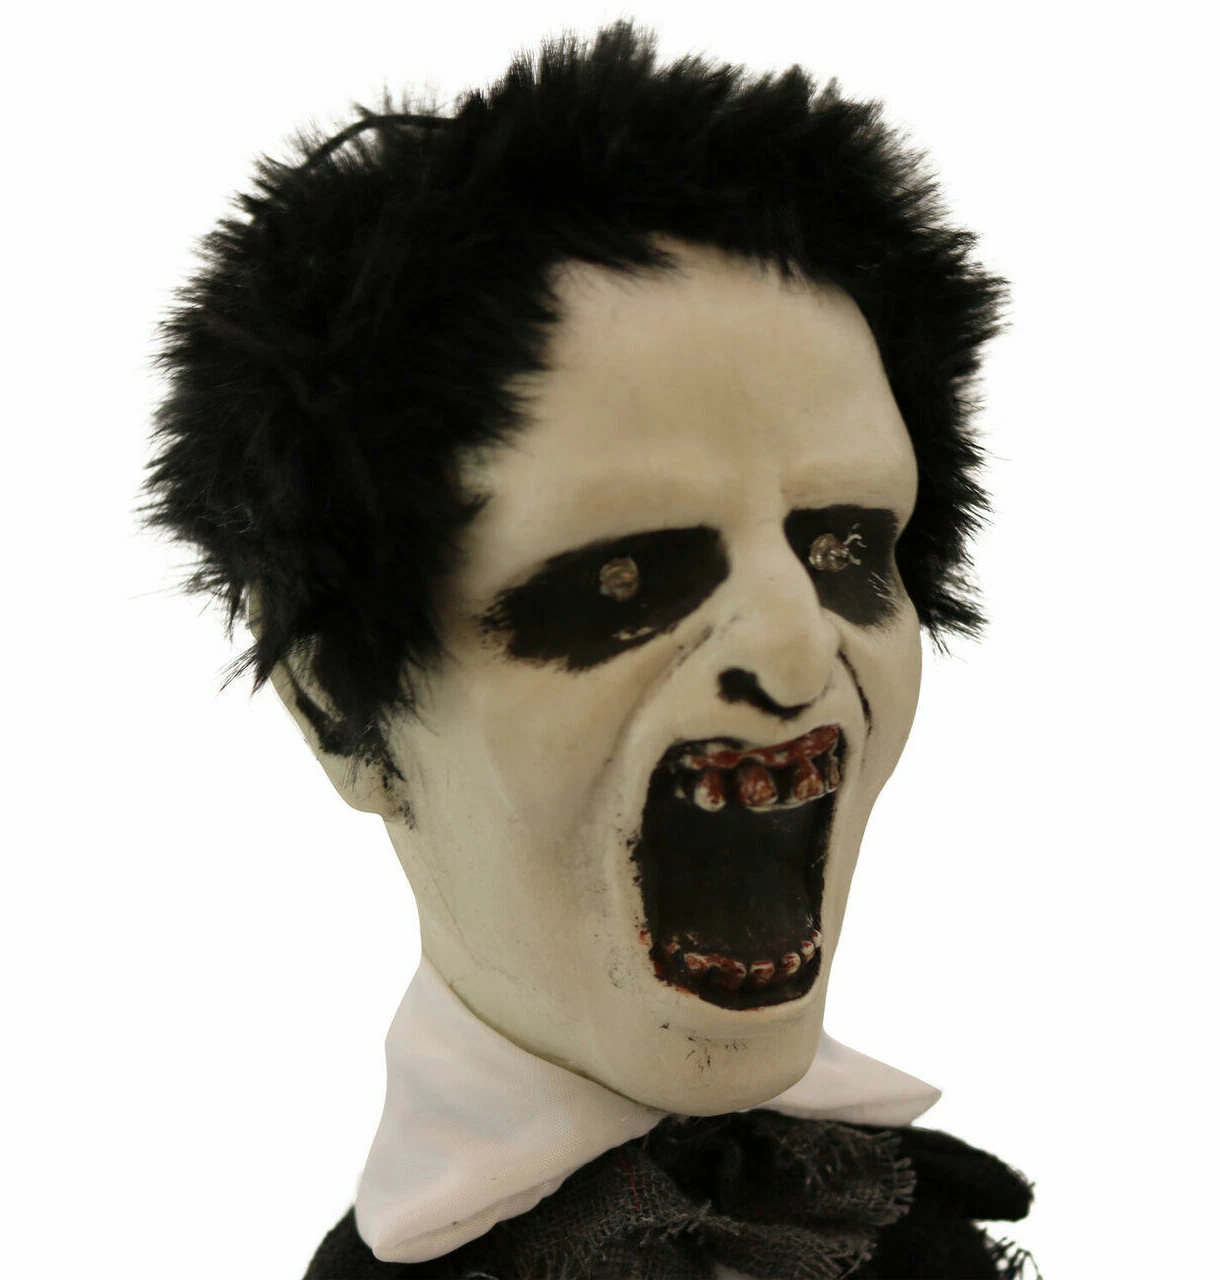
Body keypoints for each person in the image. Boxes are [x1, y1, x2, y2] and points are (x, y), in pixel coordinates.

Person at [147, 23, 1032, 1279]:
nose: (796, 646)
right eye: (627, 576)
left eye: (842, 547)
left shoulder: (895, 1213)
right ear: (342, 706)